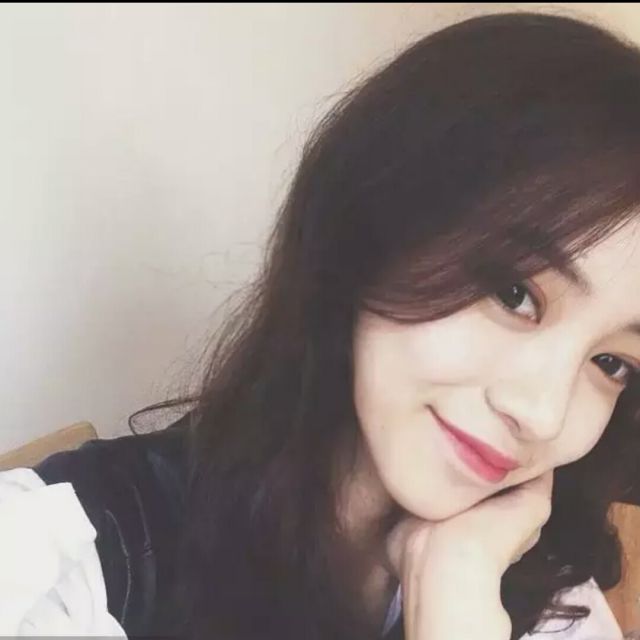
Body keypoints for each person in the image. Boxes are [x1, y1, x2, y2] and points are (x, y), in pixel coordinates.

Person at [3, 10, 640, 640]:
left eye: (611, 363)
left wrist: (456, 595)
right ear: (369, 225)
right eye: (514, 293)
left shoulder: (531, 574)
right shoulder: (64, 564)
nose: (544, 415)